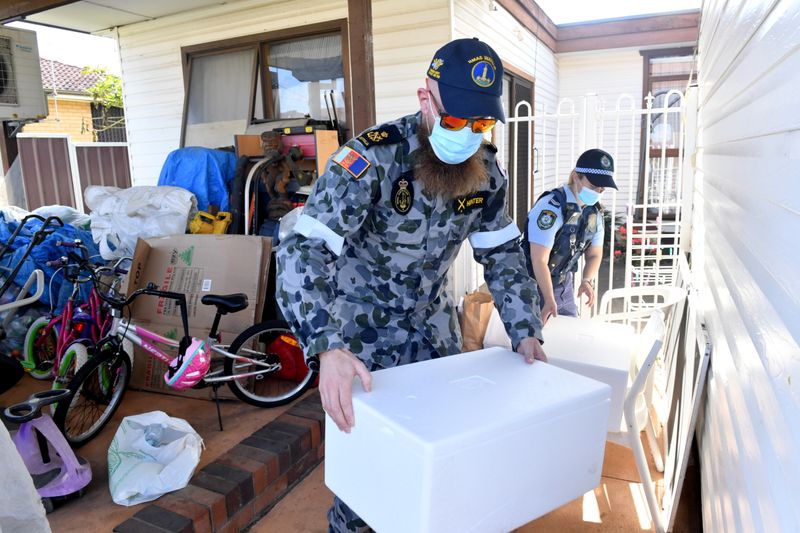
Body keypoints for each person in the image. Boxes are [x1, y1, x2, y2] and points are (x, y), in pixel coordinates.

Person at [276, 37, 546, 532]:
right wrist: (325, 347)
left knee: (436, 469)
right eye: (456, 120)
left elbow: (503, 252)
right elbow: (302, 250)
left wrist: (526, 327)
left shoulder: (485, 172)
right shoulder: (371, 160)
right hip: (361, 349)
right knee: (367, 485)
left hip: (434, 340)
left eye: (482, 123)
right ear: (427, 99)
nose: (469, 134)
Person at [524, 148, 617, 323]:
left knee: (569, 337)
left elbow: (595, 254)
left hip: (563, 284)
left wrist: (587, 280)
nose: (597, 192)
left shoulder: (594, 213)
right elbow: (539, 260)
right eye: (593, 185)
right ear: (576, 177)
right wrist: (549, 298)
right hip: (533, 285)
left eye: (601, 188)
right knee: (537, 344)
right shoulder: (551, 208)